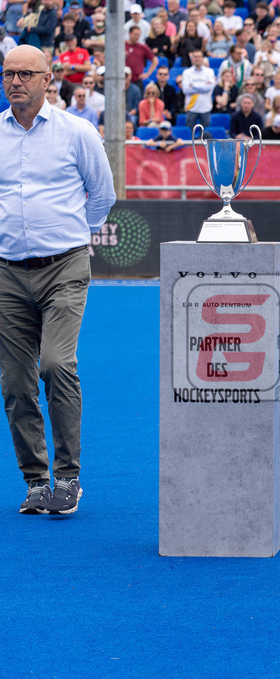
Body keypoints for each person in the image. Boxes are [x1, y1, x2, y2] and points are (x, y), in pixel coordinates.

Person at [0, 46, 116, 515]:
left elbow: (102, 195)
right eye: (9, 73)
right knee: (15, 381)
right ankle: (35, 481)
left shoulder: (77, 132)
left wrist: (67, 234)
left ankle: (67, 477)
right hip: (7, 271)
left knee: (55, 363)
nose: (15, 82)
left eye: (26, 74)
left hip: (64, 267)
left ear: (48, 79)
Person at [182, 49, 217, 128]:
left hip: (206, 107)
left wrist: (193, 85)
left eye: (199, 57)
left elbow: (209, 88)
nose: (197, 59)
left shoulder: (209, 71)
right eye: (195, 57)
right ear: (192, 59)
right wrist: (204, 85)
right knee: (190, 133)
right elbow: (186, 90)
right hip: (191, 107)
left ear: (202, 58)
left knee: (205, 133)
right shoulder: (187, 72)